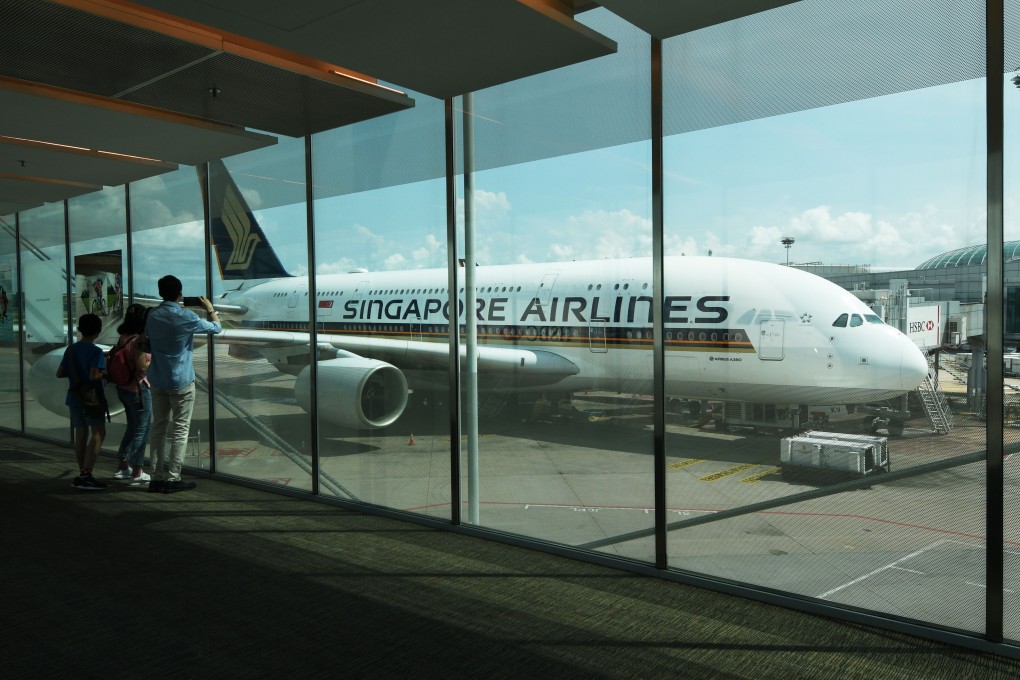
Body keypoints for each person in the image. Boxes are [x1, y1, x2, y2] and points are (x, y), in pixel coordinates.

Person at [146, 275, 221, 493]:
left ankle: (156, 477)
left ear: (160, 293)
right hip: (180, 380)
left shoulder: (152, 315)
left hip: (157, 379)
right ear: (180, 294)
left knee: (158, 428)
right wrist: (210, 308)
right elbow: (216, 328)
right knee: (180, 429)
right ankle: (173, 477)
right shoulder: (185, 316)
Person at [57, 313, 108, 490]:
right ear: (98, 331)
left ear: (79, 329)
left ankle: (82, 473)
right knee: (99, 432)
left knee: (80, 434)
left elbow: (60, 373)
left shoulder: (70, 349)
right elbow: (94, 375)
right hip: (91, 399)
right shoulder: (96, 351)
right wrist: (105, 373)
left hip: (74, 397)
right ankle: (87, 474)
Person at [110, 304, 152, 486]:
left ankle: (123, 466)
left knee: (132, 428)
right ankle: (137, 471)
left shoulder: (123, 337)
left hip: (124, 388)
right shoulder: (140, 340)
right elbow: (142, 366)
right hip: (139, 389)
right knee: (142, 430)